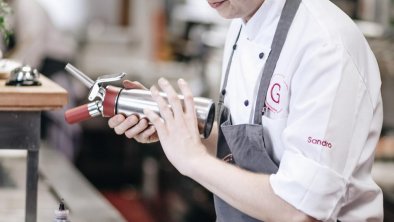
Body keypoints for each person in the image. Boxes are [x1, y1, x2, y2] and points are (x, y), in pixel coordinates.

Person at [108, 0, 383, 221]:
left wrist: (192, 160)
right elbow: (243, 153)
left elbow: (299, 210)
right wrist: (174, 128)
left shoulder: (325, 46)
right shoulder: (240, 24)